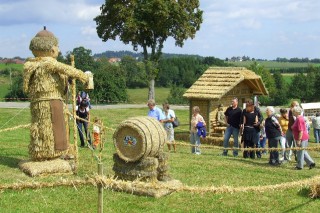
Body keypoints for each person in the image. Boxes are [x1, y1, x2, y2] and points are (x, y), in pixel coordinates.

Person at [23, 27, 92, 160]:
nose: (59, 50)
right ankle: (53, 153)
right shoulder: (48, 62)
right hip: (51, 102)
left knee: (43, 128)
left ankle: (45, 153)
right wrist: (84, 77)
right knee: (53, 128)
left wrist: (67, 80)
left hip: (40, 103)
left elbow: (60, 75)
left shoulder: (31, 64)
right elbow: (66, 69)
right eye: (57, 47)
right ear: (51, 49)